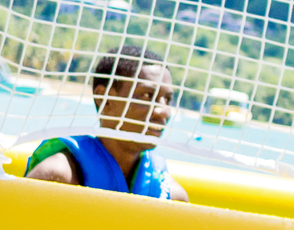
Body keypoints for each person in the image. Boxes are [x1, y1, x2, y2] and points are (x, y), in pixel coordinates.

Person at [24, 44, 190, 201]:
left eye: (167, 100)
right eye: (147, 96)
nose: (163, 111)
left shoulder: (173, 197)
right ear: (105, 99)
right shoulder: (57, 176)